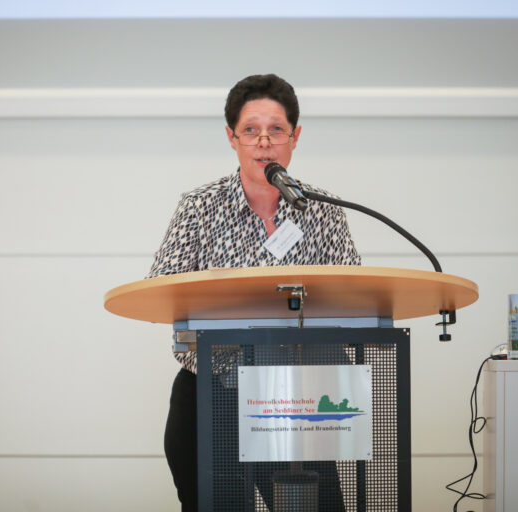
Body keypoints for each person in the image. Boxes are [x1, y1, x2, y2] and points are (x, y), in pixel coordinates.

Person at [148, 74, 361, 511]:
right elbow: (162, 288)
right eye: (251, 130)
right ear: (232, 138)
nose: (264, 143)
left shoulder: (324, 211)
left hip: (295, 400)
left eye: (276, 130)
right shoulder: (200, 207)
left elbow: (353, 296)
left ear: (294, 137)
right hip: (212, 393)